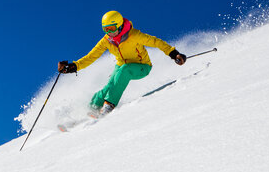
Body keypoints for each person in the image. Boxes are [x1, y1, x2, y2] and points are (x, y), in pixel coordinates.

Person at [58, 11, 187, 116]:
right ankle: (92, 108)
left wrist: (174, 54)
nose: (109, 32)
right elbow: (92, 56)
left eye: (112, 28)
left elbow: (156, 42)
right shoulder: (106, 40)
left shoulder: (134, 35)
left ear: (119, 25)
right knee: (109, 86)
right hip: (121, 67)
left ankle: (109, 105)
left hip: (142, 67)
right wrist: (73, 67)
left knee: (125, 70)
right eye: (106, 29)